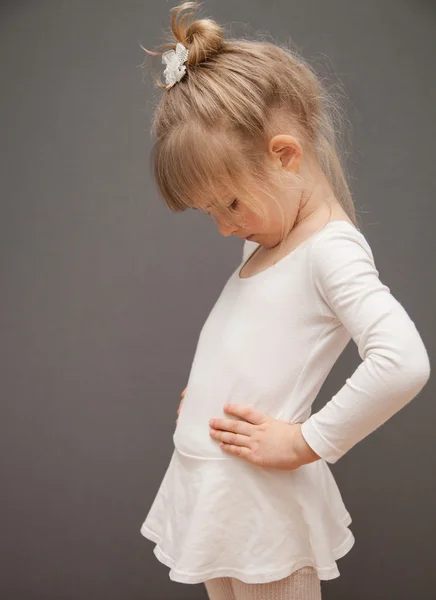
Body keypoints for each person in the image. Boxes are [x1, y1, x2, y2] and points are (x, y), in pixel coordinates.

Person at [138, 3, 431, 599]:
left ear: (285, 155)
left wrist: (305, 441)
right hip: (216, 490)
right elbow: (258, 334)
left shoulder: (331, 250)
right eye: (210, 214)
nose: (223, 227)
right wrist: (212, 392)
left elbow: (402, 362)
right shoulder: (267, 239)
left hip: (261, 504)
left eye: (230, 205)